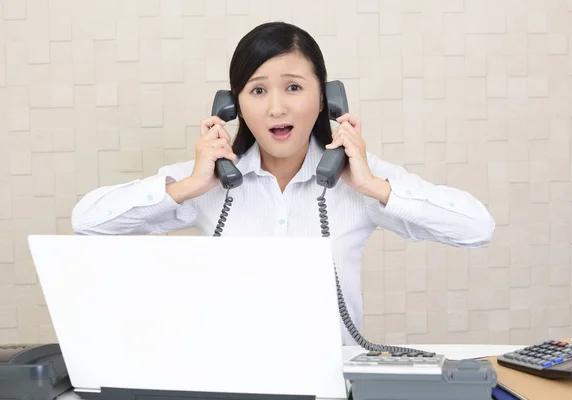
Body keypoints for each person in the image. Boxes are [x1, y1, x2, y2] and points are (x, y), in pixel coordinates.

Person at [72, 21, 495, 346]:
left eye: (293, 87)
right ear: (233, 106)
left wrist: (375, 186)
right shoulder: (209, 179)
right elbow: (87, 221)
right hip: (229, 380)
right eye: (257, 91)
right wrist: (186, 187)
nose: (276, 107)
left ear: (326, 99)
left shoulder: (359, 177)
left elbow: (477, 227)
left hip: (329, 382)